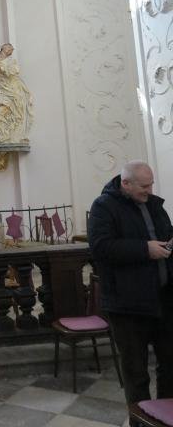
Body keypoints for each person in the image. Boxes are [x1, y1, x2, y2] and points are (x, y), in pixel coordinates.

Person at [88, 161, 173, 412]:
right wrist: (145, 249)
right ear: (125, 183)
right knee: (136, 373)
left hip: (163, 299)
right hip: (127, 304)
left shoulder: (154, 204)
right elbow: (101, 247)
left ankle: (165, 419)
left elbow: (166, 235)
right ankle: (140, 422)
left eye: (151, 185)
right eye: (144, 186)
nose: (149, 190)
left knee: (170, 367)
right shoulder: (103, 206)